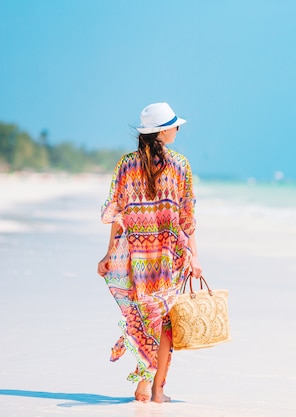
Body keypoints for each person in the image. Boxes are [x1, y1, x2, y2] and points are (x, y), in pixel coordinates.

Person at [97, 102, 202, 403]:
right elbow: (188, 219)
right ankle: (156, 389)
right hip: (168, 258)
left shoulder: (126, 165)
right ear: (163, 130)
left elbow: (117, 214)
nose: (177, 129)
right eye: (174, 125)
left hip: (137, 260)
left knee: (145, 320)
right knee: (164, 323)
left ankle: (146, 381)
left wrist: (108, 255)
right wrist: (194, 257)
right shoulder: (180, 165)